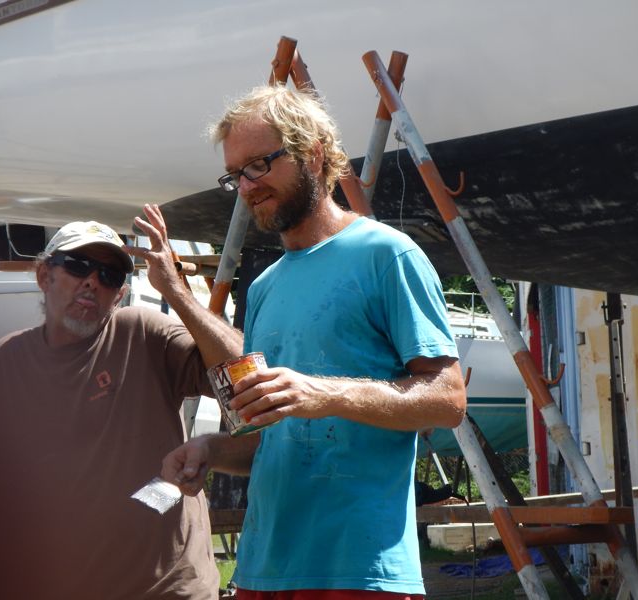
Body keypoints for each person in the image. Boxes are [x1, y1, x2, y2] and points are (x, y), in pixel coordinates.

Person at [161, 85, 467, 599]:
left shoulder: (386, 255)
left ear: (314, 154)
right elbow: (266, 441)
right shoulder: (264, 287)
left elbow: (449, 399)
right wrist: (209, 450)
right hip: (262, 570)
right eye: (235, 174)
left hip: (359, 571)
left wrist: (323, 394)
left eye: (258, 165)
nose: (246, 187)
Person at [0, 206, 243, 600]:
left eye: (109, 275)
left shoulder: (143, 332)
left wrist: (175, 290)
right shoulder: (3, 361)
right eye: (78, 265)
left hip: (166, 588)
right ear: (44, 276)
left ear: (119, 295)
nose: (92, 281)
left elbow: (243, 378)